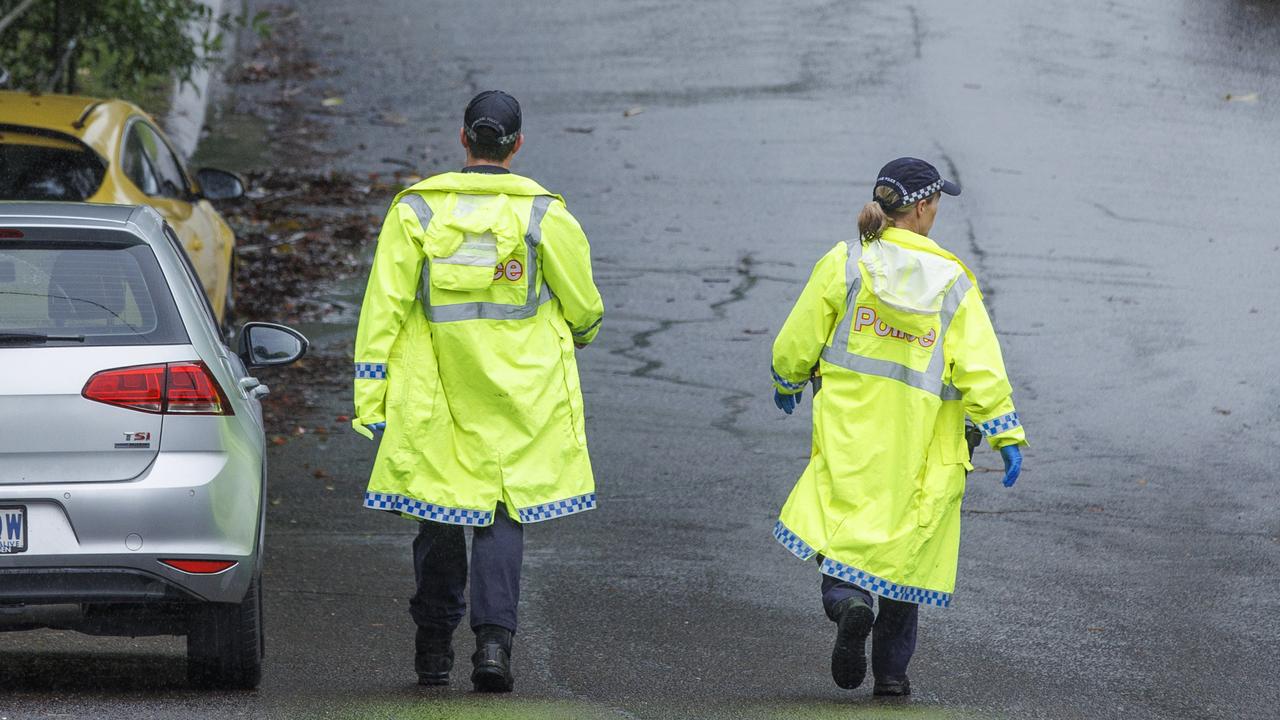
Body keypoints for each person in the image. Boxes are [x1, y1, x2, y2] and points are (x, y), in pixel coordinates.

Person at [352, 90, 604, 692]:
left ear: (462, 139)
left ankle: (433, 646)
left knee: (437, 514)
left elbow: (381, 309)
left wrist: (370, 397)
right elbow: (585, 307)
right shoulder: (545, 216)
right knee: (501, 513)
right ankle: (494, 646)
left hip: (434, 391)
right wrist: (583, 332)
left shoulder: (416, 212)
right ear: (517, 146)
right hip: (520, 393)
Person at [769, 157, 1026, 696]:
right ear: (926, 206)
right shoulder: (953, 282)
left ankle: (848, 604)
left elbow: (798, 338)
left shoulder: (846, 264)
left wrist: (787, 380)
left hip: (850, 436)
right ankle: (890, 676)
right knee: (907, 557)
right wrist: (1004, 432)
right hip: (922, 448)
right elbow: (981, 367)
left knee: (841, 534)